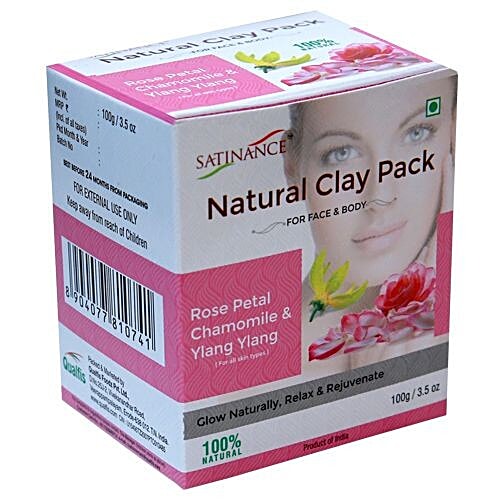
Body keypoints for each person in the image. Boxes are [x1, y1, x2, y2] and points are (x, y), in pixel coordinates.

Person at [283, 73, 456, 375]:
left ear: (454, 134)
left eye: (416, 134)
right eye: (341, 154)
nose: (381, 195)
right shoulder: (249, 377)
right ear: (293, 166)